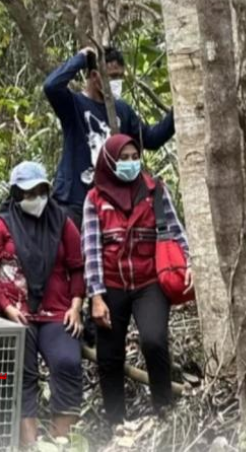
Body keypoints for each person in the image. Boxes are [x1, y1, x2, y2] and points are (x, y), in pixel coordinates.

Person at [82, 134, 193, 424]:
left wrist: (190, 262)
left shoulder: (155, 190)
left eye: (135, 157)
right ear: (109, 161)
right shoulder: (95, 198)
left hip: (149, 282)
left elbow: (175, 231)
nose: (131, 163)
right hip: (111, 286)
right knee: (109, 356)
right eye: (124, 158)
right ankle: (116, 424)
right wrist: (95, 296)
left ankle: (164, 414)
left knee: (155, 342)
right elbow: (91, 248)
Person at [0, 162, 85, 446]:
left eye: (40, 191)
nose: (36, 198)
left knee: (67, 363)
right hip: (15, 313)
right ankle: (30, 444)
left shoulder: (62, 222)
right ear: (15, 194)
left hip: (57, 311)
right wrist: (6, 307)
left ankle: (60, 442)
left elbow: (77, 266)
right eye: (29, 192)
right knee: (22, 373)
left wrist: (75, 306)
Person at [43, 46, 175, 226]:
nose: (117, 82)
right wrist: (82, 58)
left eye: (120, 76)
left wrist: (177, 113)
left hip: (111, 203)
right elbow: (51, 86)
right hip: (75, 201)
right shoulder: (74, 105)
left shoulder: (122, 110)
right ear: (94, 75)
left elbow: (151, 139)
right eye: (112, 76)